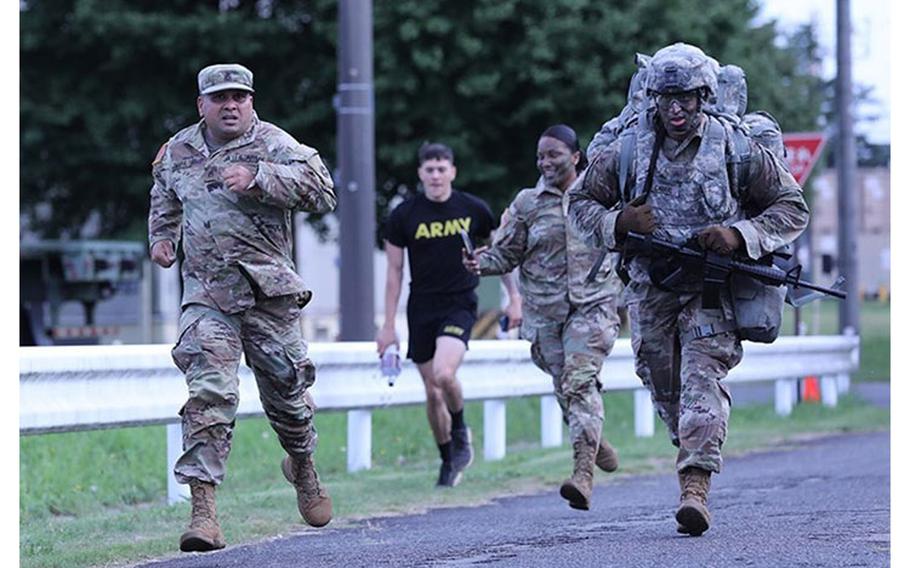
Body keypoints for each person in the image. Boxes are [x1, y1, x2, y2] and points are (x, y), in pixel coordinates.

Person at [566, 43, 809, 536]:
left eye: (686, 98)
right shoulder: (627, 150)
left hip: (711, 289)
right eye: (666, 98)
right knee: (662, 381)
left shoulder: (737, 149)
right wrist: (619, 222)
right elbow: (579, 203)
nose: (675, 110)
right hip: (651, 284)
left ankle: (694, 489)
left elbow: (790, 206)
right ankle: (695, 441)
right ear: (653, 98)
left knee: (702, 381)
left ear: (704, 96)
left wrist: (739, 235)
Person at [148, 63, 336, 552]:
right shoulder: (178, 151)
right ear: (202, 105)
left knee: (290, 399)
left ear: (251, 102)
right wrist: (162, 238)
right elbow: (165, 198)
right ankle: (204, 515)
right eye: (220, 98)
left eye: (240, 97)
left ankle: (303, 465)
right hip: (208, 297)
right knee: (209, 392)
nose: (230, 106)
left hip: (268, 297)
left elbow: (323, 191)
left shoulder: (275, 144)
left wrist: (259, 177)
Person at [462, 125, 623, 511]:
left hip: (594, 306)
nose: (546, 162)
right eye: (541, 156)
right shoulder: (527, 204)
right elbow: (506, 254)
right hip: (545, 313)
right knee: (565, 388)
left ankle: (582, 473)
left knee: (578, 381)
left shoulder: (601, 198)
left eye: (554, 154)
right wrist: (478, 262)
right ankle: (593, 438)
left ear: (576, 157)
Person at [376, 142, 520, 487]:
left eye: (442, 168)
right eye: (430, 169)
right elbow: (394, 272)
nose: (436, 175)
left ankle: (459, 431)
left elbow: (501, 253)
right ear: (421, 174)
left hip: (459, 302)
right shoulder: (403, 215)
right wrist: (387, 325)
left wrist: (514, 297)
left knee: (443, 374)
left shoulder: (473, 209)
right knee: (432, 392)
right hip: (421, 307)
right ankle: (447, 460)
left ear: (453, 171)